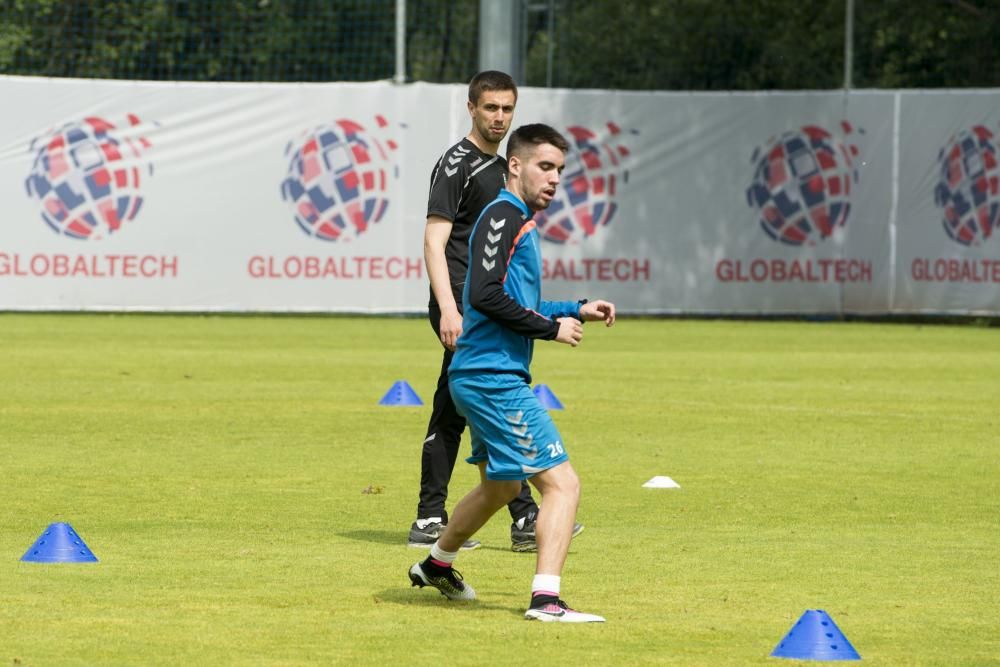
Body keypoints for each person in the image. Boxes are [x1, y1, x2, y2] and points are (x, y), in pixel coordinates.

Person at [408, 124, 616, 623]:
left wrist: (575, 306)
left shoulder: (516, 217)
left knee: (502, 488)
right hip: (492, 378)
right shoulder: (503, 214)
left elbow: (511, 300)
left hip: (479, 376)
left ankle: (437, 564)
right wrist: (550, 328)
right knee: (562, 485)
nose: (555, 180)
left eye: (561, 171)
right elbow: (482, 295)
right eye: (545, 167)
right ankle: (546, 599)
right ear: (515, 166)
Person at [410, 71, 581, 552]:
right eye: (490, 108)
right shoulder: (457, 164)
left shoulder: (509, 167)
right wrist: (447, 307)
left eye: (507, 108)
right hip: (467, 306)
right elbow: (434, 239)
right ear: (472, 108)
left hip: (487, 307)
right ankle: (433, 516)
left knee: (470, 399)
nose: (499, 117)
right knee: (461, 400)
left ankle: (516, 514)